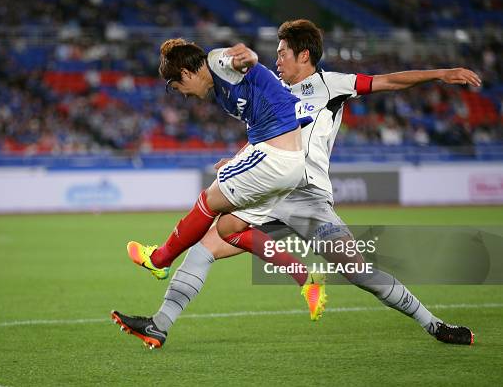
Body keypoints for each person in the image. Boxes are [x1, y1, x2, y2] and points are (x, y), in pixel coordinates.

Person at [112, 20, 480, 349]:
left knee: (358, 272)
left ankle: (434, 325)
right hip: (272, 189)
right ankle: (159, 325)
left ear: (304, 54)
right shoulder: (270, 91)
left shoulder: (332, 84)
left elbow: (390, 80)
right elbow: (268, 137)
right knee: (208, 242)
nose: (277, 60)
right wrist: (239, 158)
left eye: (282, 53)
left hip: (308, 196)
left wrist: (441, 73)